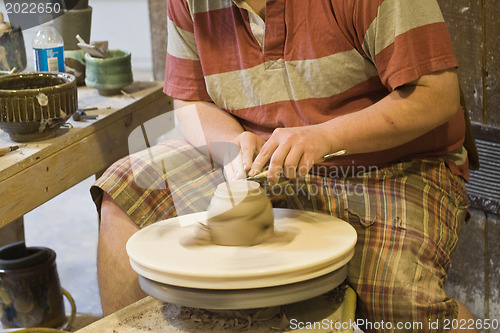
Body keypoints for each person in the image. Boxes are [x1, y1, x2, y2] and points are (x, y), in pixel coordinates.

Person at [91, 0, 479, 331]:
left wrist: (325, 137)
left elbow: (437, 95)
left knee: (394, 300)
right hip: (262, 157)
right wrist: (233, 145)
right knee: (124, 194)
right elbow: (191, 100)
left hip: (389, 162)